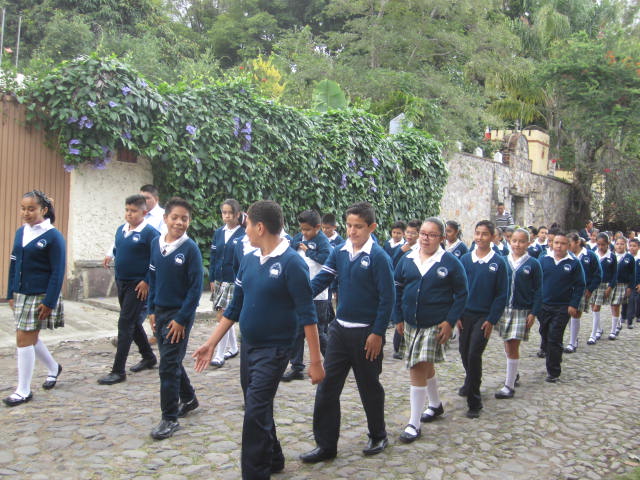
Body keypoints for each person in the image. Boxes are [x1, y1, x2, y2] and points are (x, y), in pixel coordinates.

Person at [193, 200, 324, 479]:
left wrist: (316, 361)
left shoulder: (292, 264)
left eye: (248, 224)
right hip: (249, 347)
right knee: (258, 406)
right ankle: (274, 456)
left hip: (276, 349)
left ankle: (255, 472)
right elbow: (235, 307)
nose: (246, 230)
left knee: (253, 411)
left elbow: (308, 315)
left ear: (260, 227)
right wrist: (211, 342)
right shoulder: (250, 259)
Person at [300, 202, 395, 462]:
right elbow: (322, 279)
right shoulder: (340, 251)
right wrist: (298, 295)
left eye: (358, 227)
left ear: (372, 227)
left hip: (367, 335)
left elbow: (388, 299)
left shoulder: (379, 257)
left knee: (369, 387)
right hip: (340, 331)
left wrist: (377, 333)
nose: (352, 231)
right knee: (327, 387)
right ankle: (326, 446)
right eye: (349, 226)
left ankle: (378, 434)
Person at [394, 218, 468, 442]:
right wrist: (397, 316)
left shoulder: (450, 263)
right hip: (409, 323)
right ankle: (435, 405)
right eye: (423, 234)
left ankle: (413, 423)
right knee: (425, 366)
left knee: (417, 367)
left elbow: (462, 294)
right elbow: (396, 288)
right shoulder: (406, 259)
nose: (425, 238)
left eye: (431, 235)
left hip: (434, 324)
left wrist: (450, 321)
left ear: (442, 238)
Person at [147, 197, 203, 440]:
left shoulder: (191, 249)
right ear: (165, 218)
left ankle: (169, 418)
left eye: (184, 219)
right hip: (159, 311)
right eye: (175, 218)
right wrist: (151, 309)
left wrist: (181, 319)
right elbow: (152, 278)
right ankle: (189, 398)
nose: (179, 223)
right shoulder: (155, 244)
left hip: (179, 315)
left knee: (168, 365)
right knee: (172, 360)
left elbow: (195, 289)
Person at [4, 190, 65, 407]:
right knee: (30, 337)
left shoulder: (53, 236)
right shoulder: (21, 232)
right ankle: (53, 367)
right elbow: (14, 263)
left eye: (31, 209)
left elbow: (58, 272)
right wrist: (10, 292)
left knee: (23, 338)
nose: (26, 213)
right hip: (21, 293)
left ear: (43, 210)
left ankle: (23, 390)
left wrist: (49, 301)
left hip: (40, 295)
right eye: (23, 208)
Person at [98, 195, 158, 385]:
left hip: (138, 286)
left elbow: (157, 259)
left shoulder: (150, 233)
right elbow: (119, 249)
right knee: (133, 322)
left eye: (133, 211)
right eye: (127, 210)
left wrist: (147, 280)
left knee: (125, 324)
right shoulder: (121, 230)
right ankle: (148, 357)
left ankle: (118, 370)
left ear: (144, 213)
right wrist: (111, 256)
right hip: (122, 282)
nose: (129, 214)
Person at [457, 220, 508, 418]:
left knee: (473, 354)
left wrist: (492, 319)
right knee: (463, 351)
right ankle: (471, 380)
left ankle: (474, 400)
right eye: (477, 233)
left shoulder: (499, 262)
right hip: (465, 315)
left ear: (493, 237)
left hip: (484, 316)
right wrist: (456, 315)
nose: (480, 238)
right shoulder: (465, 260)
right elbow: (458, 290)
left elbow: (501, 294)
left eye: (484, 234)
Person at [282, 209, 332, 381]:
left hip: (318, 295)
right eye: (302, 229)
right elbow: (288, 251)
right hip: (298, 292)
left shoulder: (322, 241)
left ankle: (333, 360)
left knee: (318, 331)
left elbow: (328, 259)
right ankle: (296, 366)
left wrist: (309, 251)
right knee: (297, 331)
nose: (304, 233)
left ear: (317, 227)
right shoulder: (298, 238)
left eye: (307, 230)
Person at [495, 228, 542, 399]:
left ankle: (509, 385)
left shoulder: (533, 264)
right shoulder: (502, 261)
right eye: (514, 240)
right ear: (509, 241)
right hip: (504, 310)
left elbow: (538, 290)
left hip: (521, 310)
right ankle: (513, 373)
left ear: (528, 243)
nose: (517, 244)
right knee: (507, 345)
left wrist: (533, 312)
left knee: (513, 344)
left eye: (522, 241)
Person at [538, 232, 585, 382]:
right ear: (551, 244)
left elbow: (580, 285)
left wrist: (573, 304)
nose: (559, 246)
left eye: (562, 243)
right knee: (544, 333)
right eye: (556, 243)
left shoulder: (573, 263)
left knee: (555, 337)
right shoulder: (543, 260)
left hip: (562, 307)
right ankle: (549, 353)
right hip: (544, 305)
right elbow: (536, 282)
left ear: (568, 245)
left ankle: (553, 371)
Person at [208, 199, 246, 368]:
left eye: (230, 213)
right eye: (224, 213)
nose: (227, 216)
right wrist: (211, 278)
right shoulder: (218, 233)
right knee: (224, 315)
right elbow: (214, 256)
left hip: (233, 280)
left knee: (223, 315)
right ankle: (233, 347)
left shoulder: (244, 234)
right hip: (219, 279)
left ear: (238, 214)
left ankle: (219, 353)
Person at [563, 232, 601, 354]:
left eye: (570, 243)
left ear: (577, 242)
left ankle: (572, 342)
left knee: (576, 313)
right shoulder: (566, 256)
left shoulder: (590, 255)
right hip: (567, 289)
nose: (568, 246)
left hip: (582, 289)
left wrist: (590, 289)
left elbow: (597, 274)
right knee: (568, 313)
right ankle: (574, 337)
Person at [392, 219, 421, 358]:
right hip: (401, 288)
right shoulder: (402, 249)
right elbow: (393, 265)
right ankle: (398, 347)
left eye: (413, 233)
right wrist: (399, 252)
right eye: (408, 232)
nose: (409, 236)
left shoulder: (419, 251)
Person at [587, 232, 617, 345]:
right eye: (598, 244)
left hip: (604, 284)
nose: (601, 247)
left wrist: (610, 286)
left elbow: (614, 273)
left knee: (596, 308)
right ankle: (598, 329)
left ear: (608, 244)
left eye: (603, 245)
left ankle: (593, 334)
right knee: (592, 306)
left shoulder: (611, 256)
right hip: (594, 284)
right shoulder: (594, 254)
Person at [611, 236, 634, 337]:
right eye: (617, 244)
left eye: (622, 244)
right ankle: (618, 321)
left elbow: (632, 273)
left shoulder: (629, 258)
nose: (619, 246)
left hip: (623, 284)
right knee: (613, 305)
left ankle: (614, 328)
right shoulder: (611, 256)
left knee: (616, 305)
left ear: (626, 245)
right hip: (611, 284)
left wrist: (630, 287)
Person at [626, 239, 640, 328]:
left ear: (638, 247)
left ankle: (636, 316)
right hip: (628, 284)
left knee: (637, 301)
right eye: (630, 246)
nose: (632, 248)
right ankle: (627, 319)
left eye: (634, 246)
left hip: (637, 283)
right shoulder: (626, 257)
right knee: (628, 302)